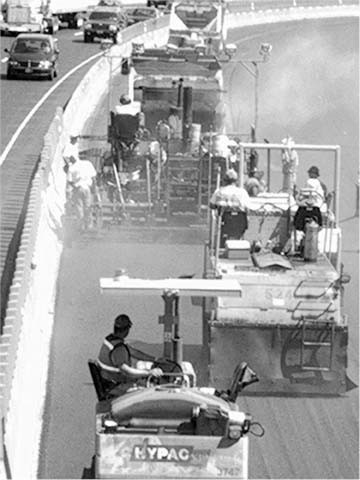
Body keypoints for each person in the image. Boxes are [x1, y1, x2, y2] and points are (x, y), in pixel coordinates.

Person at [97, 314, 163, 395]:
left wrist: (154, 359)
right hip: (115, 386)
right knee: (151, 390)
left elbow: (133, 352)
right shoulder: (118, 348)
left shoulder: (110, 340)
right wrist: (149, 372)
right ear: (127, 330)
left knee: (143, 380)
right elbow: (126, 371)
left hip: (109, 380)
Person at [210, 169, 251, 245]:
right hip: (240, 223)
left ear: (224, 180)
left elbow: (211, 205)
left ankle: (221, 244)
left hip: (224, 223)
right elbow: (248, 206)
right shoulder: (242, 192)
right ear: (236, 180)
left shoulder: (219, 192)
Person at [66, 154, 97, 230]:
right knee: (88, 207)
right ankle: (89, 226)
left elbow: (69, 181)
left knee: (79, 208)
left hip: (78, 188)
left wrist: (74, 187)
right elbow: (94, 177)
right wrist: (94, 188)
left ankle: (81, 226)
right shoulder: (88, 163)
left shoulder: (71, 168)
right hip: (87, 188)